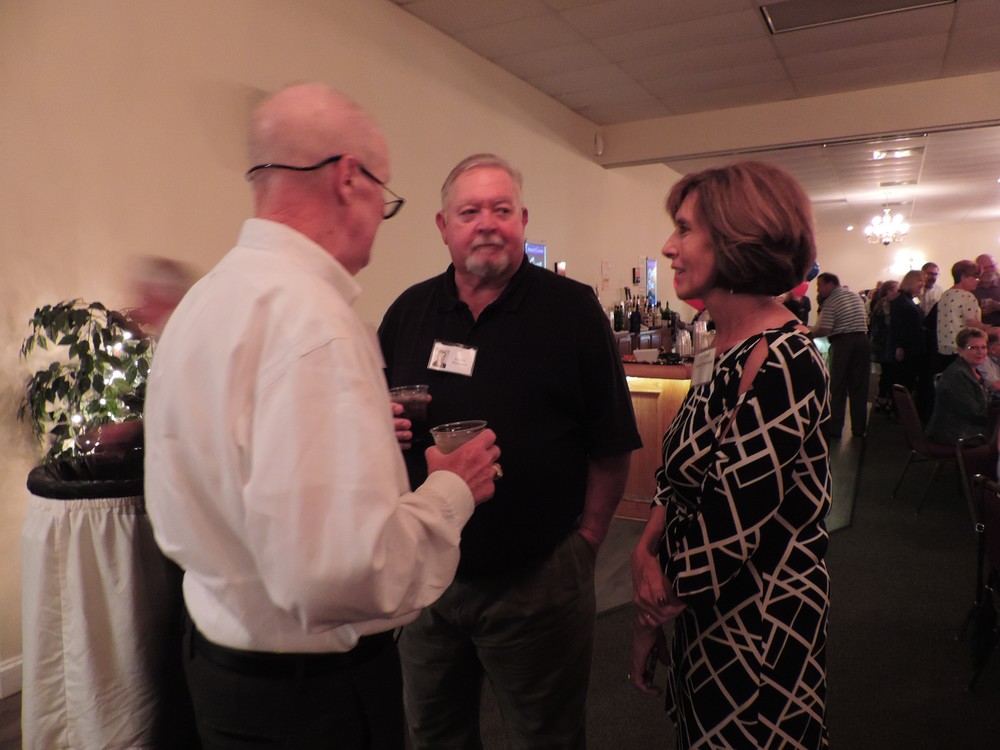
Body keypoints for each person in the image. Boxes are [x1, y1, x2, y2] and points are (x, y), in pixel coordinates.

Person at [143, 83, 502, 750]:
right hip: (307, 700)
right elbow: (343, 574)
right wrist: (451, 491)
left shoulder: (206, 299)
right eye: (384, 197)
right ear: (348, 179)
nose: (379, 219)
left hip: (216, 664)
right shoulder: (315, 324)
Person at [378, 153, 641, 749]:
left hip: (537, 579)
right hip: (427, 577)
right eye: (469, 212)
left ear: (522, 220)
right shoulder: (408, 312)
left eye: (501, 210)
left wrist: (586, 544)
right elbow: (375, 410)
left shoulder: (571, 310)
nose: (487, 224)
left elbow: (611, 442)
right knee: (433, 735)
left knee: (544, 738)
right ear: (443, 227)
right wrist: (379, 425)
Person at [630, 161, 830, 749]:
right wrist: (643, 548)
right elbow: (680, 472)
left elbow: (727, 527)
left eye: (685, 229)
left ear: (738, 240)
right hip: (702, 616)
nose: (669, 247)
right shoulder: (722, 345)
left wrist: (648, 613)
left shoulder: (785, 359)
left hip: (758, 629)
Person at [812, 272, 870, 438]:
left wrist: (809, 334)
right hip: (862, 340)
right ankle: (859, 429)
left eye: (820, 286)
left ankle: (835, 428)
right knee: (859, 387)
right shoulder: (854, 296)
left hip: (843, 342)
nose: (818, 290)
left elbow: (825, 329)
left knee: (838, 385)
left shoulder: (831, 301)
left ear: (830, 283)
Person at [926, 328, 992, 446]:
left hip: (964, 428)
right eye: (973, 348)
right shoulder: (958, 375)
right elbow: (977, 413)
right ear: (960, 351)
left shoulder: (968, 370)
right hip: (957, 435)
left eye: (983, 347)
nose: (980, 352)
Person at [936, 260, 991, 373]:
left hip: (944, 347)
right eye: (975, 277)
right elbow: (973, 326)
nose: (977, 281)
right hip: (963, 347)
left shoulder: (945, 294)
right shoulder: (966, 296)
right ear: (963, 277)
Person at [887, 270, 927, 396]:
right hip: (907, 348)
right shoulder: (901, 300)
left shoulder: (910, 299)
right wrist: (899, 346)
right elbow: (897, 326)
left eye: (923, 281)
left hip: (913, 346)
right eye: (920, 281)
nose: (922, 284)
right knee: (904, 380)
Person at [868, 279, 899, 413]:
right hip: (884, 343)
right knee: (888, 373)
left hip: (881, 342)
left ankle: (882, 398)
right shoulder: (885, 303)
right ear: (889, 291)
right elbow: (888, 322)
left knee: (886, 372)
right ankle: (883, 399)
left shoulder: (881, 302)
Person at [974, 253, 1000, 325]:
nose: (989, 270)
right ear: (977, 270)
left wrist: (998, 306)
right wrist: (979, 312)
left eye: (992, 266)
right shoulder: (971, 288)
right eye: (985, 268)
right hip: (980, 329)